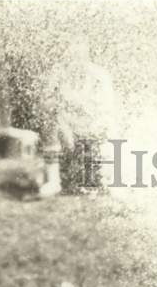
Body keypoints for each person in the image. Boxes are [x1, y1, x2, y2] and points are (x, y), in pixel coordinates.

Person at [38, 39, 118, 197]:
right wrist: (64, 123)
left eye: (80, 56)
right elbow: (45, 103)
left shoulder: (100, 76)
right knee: (49, 123)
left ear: (87, 57)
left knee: (107, 127)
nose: (76, 62)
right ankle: (53, 181)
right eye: (72, 57)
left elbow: (107, 108)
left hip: (92, 124)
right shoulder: (59, 74)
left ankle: (107, 179)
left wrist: (92, 125)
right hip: (67, 125)